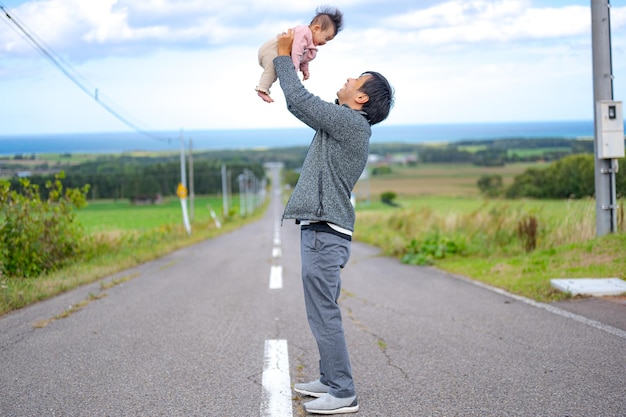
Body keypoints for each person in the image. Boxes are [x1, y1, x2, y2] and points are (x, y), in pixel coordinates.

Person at [274, 28, 394, 415]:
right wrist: (298, 63)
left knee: (324, 311)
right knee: (319, 309)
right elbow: (311, 105)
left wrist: (282, 57)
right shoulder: (344, 122)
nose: (346, 79)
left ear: (361, 98)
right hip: (321, 230)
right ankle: (329, 379)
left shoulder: (352, 124)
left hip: (326, 233)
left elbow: (298, 101)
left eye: (355, 80)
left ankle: (343, 392)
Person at [255, 6, 343, 103]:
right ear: (316, 29)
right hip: (272, 49)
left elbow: (302, 58)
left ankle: (264, 88)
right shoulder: (304, 32)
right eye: (326, 38)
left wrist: (305, 69)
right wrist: (293, 71)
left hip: (278, 52)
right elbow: (296, 52)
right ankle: (262, 89)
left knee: (275, 72)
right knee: (271, 70)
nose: (325, 42)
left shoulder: (309, 42)